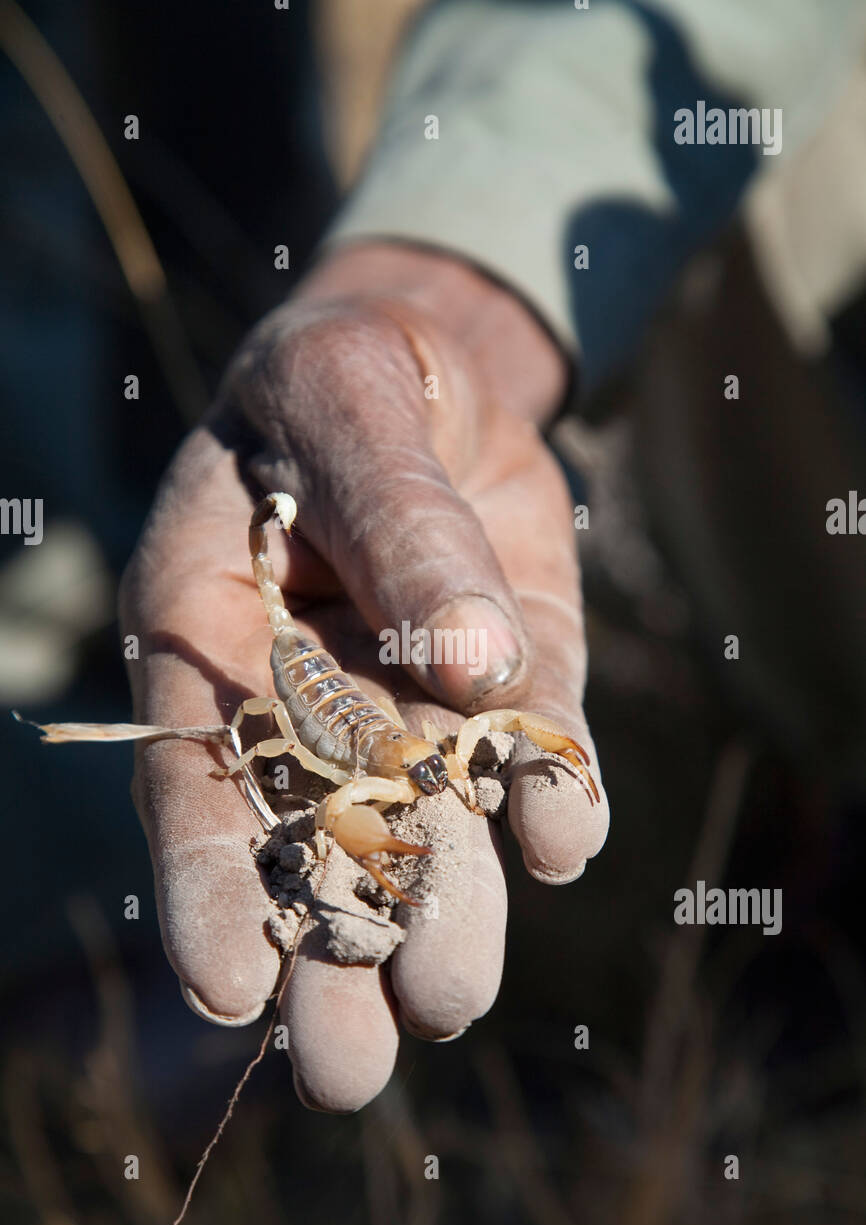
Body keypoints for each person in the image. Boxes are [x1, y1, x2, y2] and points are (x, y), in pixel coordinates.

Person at [120, 0, 866, 1112]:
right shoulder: (367, 766)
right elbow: (310, 761)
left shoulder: (408, 773)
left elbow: (461, 747)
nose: (433, 781)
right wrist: (431, 288)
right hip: (315, 685)